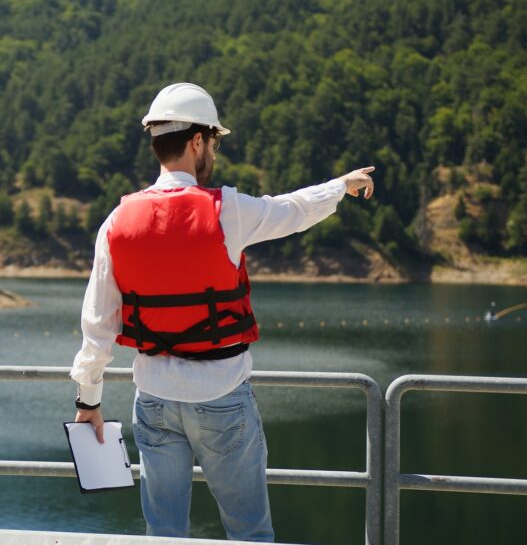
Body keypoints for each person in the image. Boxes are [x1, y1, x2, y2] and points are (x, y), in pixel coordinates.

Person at [70, 82, 375, 542]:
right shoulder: (226, 211)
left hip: (152, 399)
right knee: (249, 532)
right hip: (222, 397)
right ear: (197, 141)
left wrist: (88, 401)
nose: (213, 150)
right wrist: (340, 186)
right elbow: (289, 210)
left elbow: (96, 327)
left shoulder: (116, 222)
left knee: (164, 532)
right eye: (213, 141)